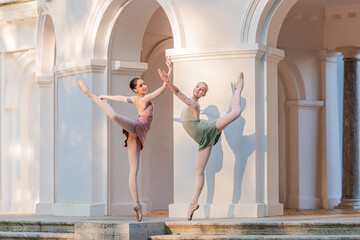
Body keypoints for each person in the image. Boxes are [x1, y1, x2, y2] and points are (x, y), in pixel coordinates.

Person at [158, 57, 244, 220]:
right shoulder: (191, 106)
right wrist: (170, 69)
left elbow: (178, 93)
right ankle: (193, 204)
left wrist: (168, 81)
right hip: (203, 138)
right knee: (199, 171)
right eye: (198, 86)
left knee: (236, 112)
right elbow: (184, 115)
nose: (199, 89)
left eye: (202, 89)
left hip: (205, 131)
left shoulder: (194, 105)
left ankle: (239, 89)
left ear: (204, 95)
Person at [78, 71, 169, 222]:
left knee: (133, 170)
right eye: (140, 85)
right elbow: (163, 88)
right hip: (137, 126)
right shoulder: (144, 98)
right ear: (135, 90)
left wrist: (107, 96)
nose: (144, 86)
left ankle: (137, 205)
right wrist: (168, 74)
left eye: (144, 84)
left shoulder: (136, 98)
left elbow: (122, 98)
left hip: (137, 133)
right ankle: (91, 95)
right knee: (114, 116)